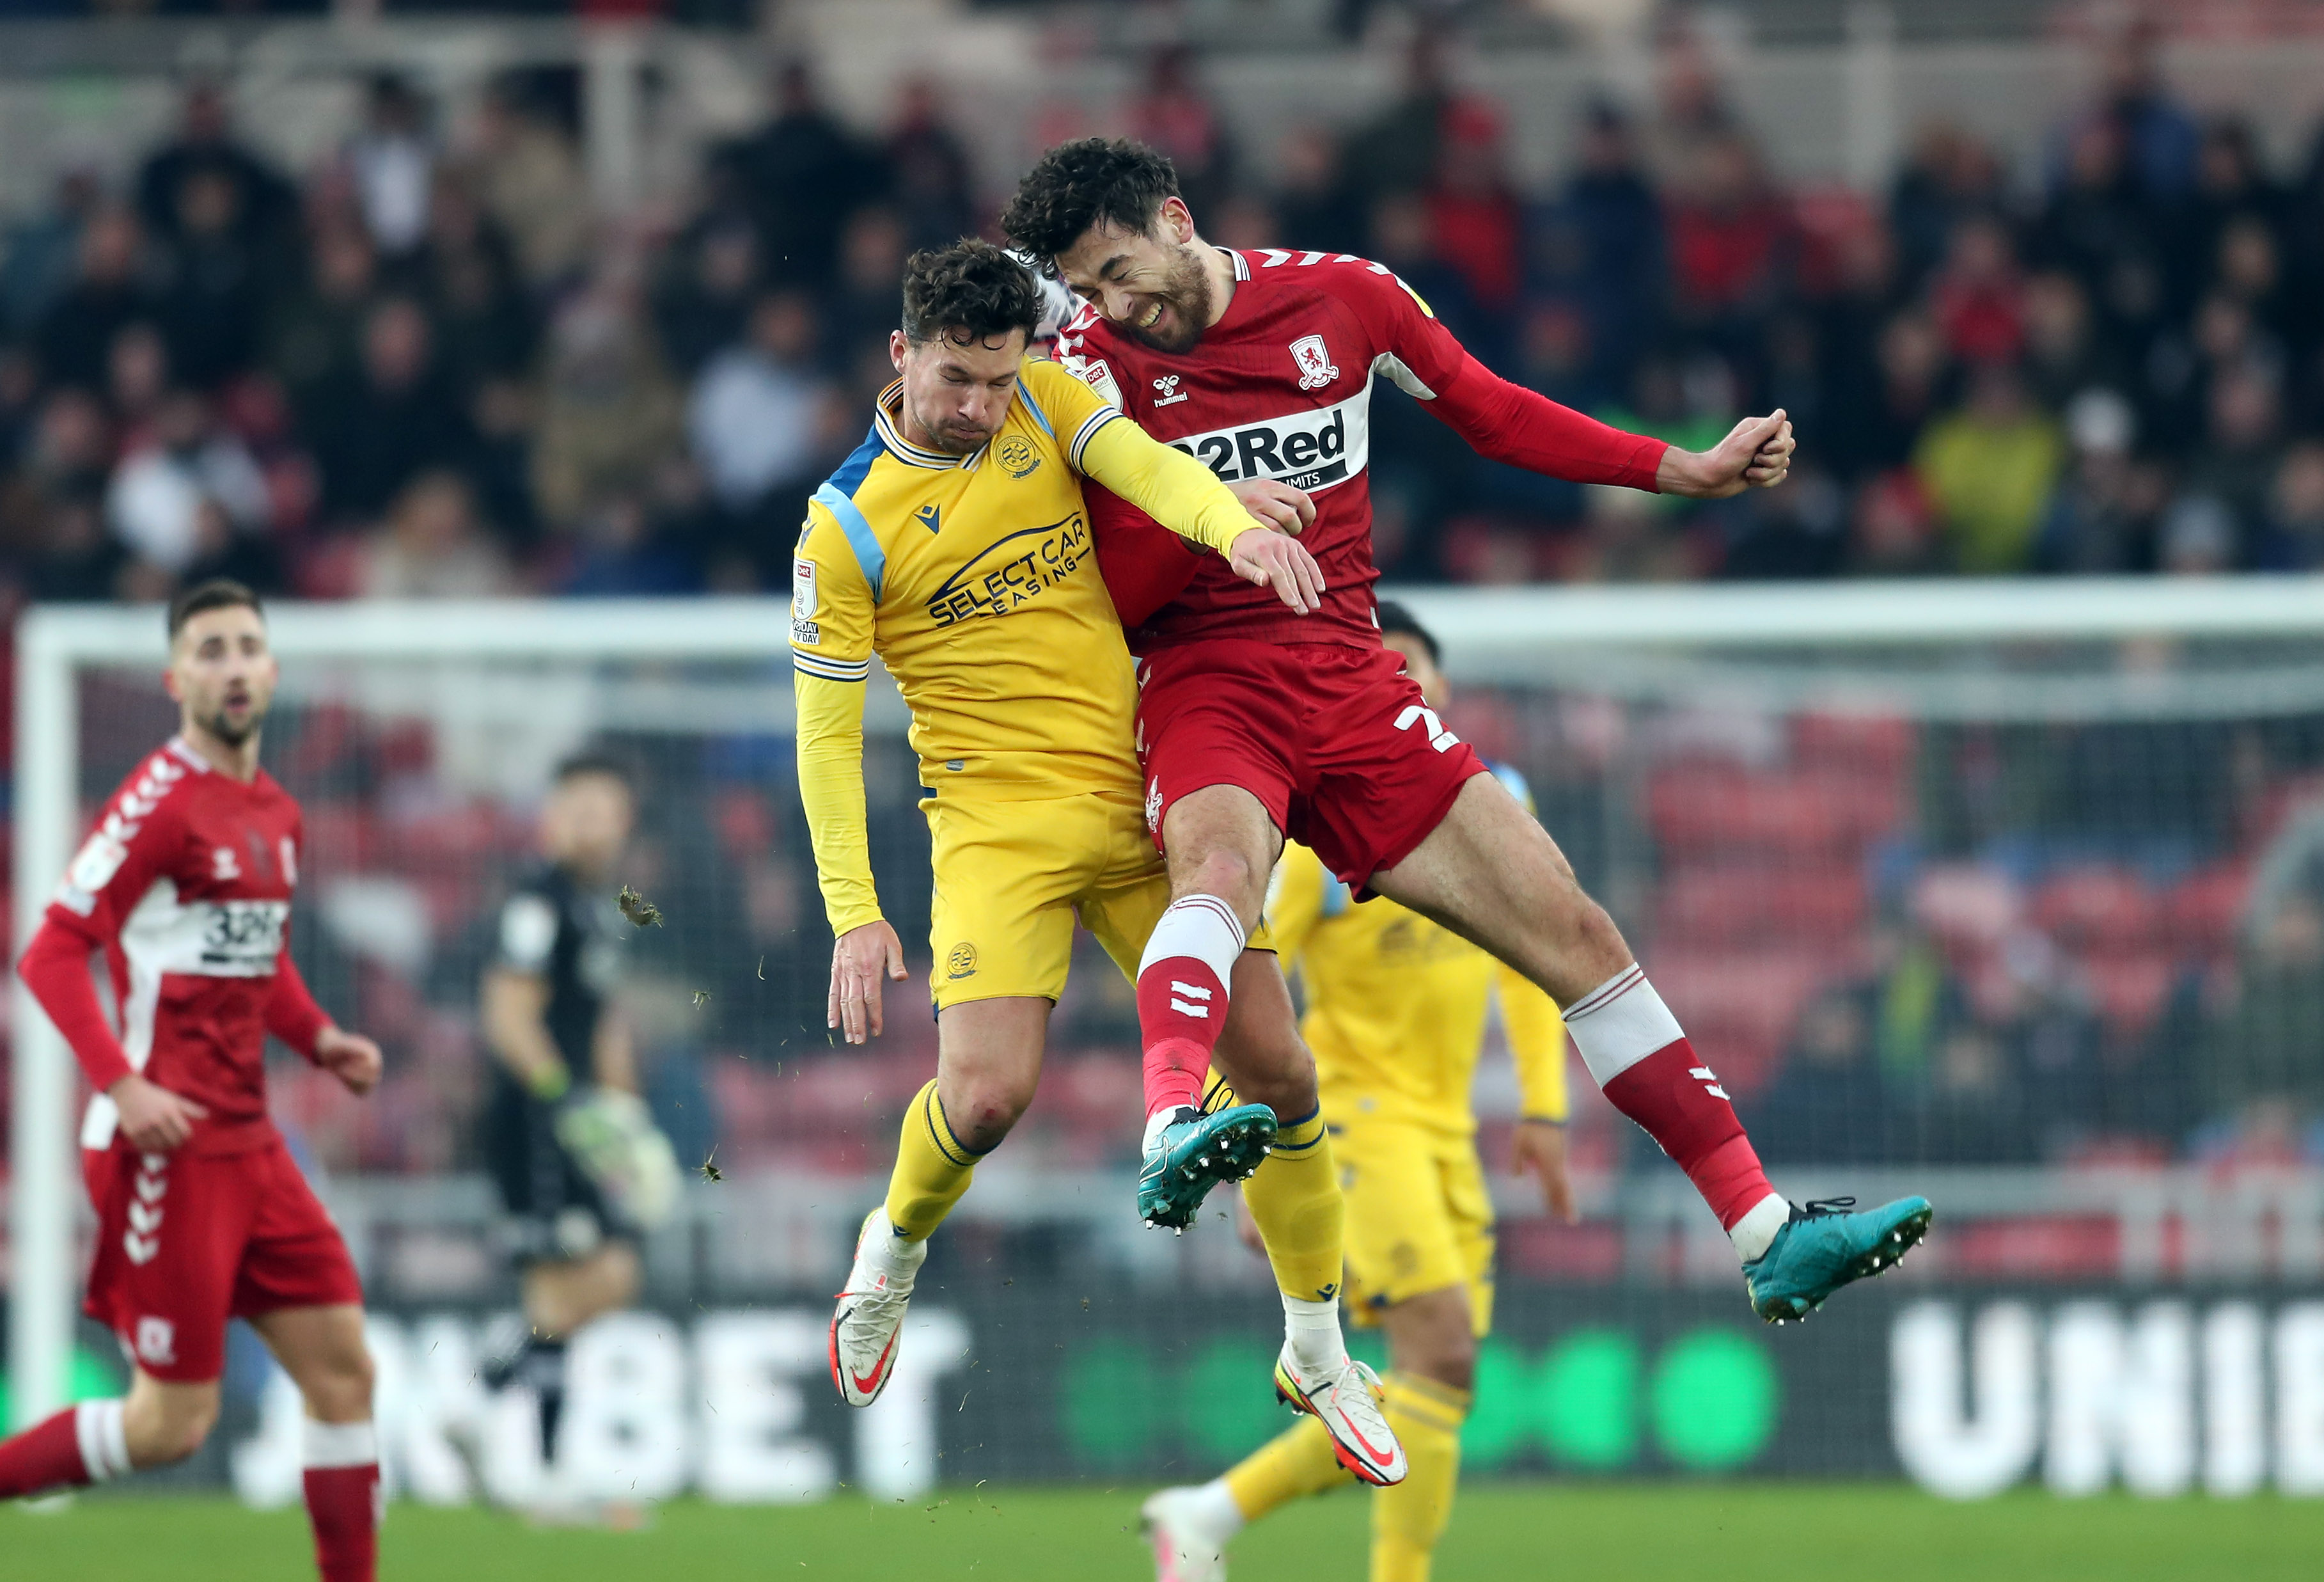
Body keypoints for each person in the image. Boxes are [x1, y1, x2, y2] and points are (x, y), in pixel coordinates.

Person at [1003, 139, 1929, 1325]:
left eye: (1118, 272)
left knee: (1575, 931)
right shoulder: (1080, 370)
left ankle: (1762, 1229)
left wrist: (1676, 470)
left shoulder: (1344, 298)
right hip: (1204, 684)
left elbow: (1492, 413)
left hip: (1355, 687)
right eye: (1084, 290)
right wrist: (1205, 514)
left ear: (1176, 220)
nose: (1109, 305)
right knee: (1219, 874)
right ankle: (1172, 1122)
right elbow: (1100, 594)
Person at [804, 239, 1404, 1484]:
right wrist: (854, 912)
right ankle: (893, 1246)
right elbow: (822, 735)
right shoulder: (842, 531)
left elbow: (1148, 466)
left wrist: (1232, 529)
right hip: (992, 832)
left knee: (1280, 1070)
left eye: (996, 378)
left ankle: (1315, 1347)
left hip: (1139, 801)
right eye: (955, 380)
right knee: (983, 1101)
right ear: (900, 355)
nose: (978, 405)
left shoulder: (1045, 400)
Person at [1143, 605, 1574, 1582]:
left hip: (1445, 1132)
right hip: (1358, 1126)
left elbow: (1530, 964)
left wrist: (1544, 1107)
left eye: (1411, 665)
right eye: (1379, 667)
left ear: (1441, 686)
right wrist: (1256, 1171)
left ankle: (1205, 1515)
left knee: (1431, 1389)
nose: (1399, 681)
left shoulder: (1495, 804)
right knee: (1445, 1357)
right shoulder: (1320, 840)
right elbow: (1242, 977)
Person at [0, 580, 385, 1582]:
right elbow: (49, 951)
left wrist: (321, 1037)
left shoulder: (277, 813)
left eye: (245, 645)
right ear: (177, 679)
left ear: (272, 669)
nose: (230, 664)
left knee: (344, 1376)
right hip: (163, 1150)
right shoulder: (158, 807)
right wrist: (123, 1085)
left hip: (254, 1145)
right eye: (208, 649)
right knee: (171, 1426)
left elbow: (261, 962)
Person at [475, 752, 672, 1510]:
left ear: (624, 822)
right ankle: (540, 1462)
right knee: (570, 1281)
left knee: (599, 1277)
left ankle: (510, 1407)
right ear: (552, 816)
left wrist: (625, 1116)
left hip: (579, 1121)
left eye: (607, 809)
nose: (593, 823)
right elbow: (507, 1013)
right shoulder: (536, 902)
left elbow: (604, 1024)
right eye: (579, 807)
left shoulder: (598, 907)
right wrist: (563, 1099)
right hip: (537, 1117)